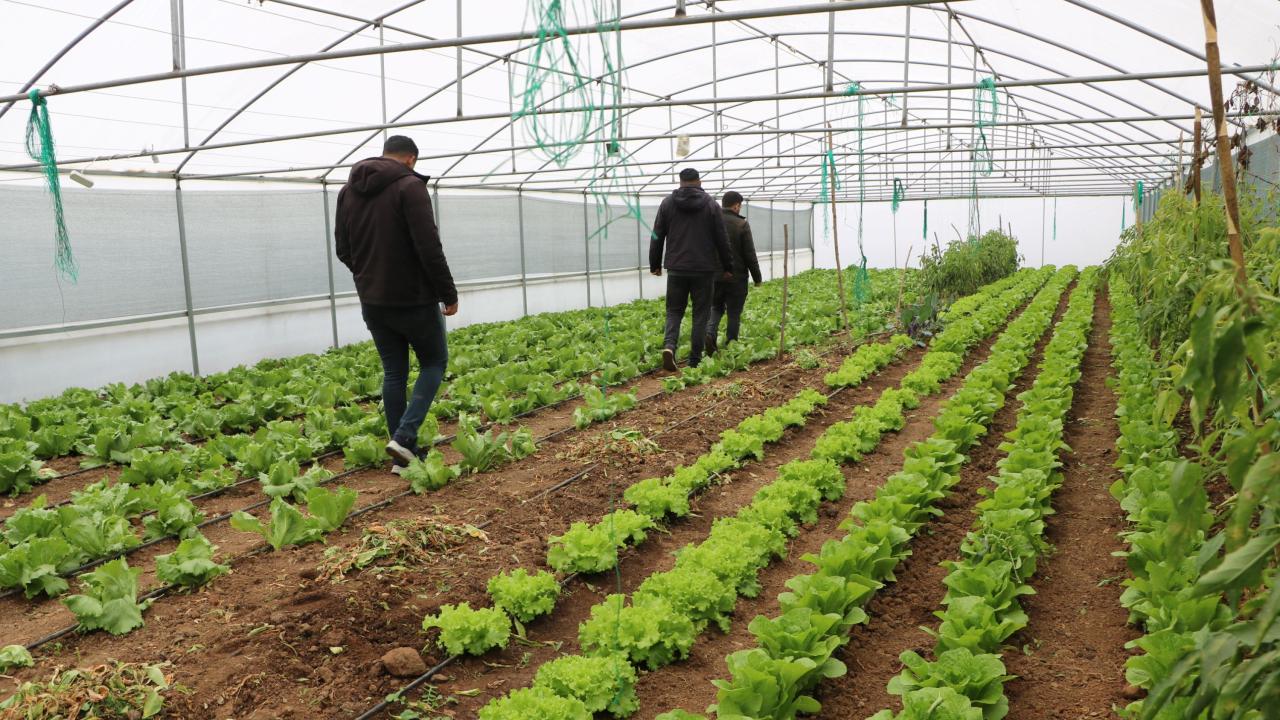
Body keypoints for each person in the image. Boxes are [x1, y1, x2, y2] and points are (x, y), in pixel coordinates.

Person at [335, 135, 458, 472]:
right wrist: (448, 293)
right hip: (413, 298)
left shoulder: (347, 192)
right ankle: (404, 438)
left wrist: (369, 276)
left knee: (394, 373)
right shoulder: (410, 186)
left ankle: (402, 456)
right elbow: (428, 246)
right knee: (434, 362)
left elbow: (343, 249)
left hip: (373, 301)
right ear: (410, 159)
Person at [650, 168, 734, 371]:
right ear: (699, 182)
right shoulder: (711, 205)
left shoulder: (667, 203)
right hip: (703, 269)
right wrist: (728, 266)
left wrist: (655, 264)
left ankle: (669, 346)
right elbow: (722, 238)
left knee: (674, 311)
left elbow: (657, 235)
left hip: (676, 268)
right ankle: (694, 360)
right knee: (700, 314)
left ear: (680, 182)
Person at [705, 190, 763, 354]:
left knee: (716, 307)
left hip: (714, 276)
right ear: (736, 206)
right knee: (734, 312)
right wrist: (757, 278)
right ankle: (731, 346)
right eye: (740, 206)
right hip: (736, 277)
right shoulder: (741, 224)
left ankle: (710, 334)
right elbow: (749, 254)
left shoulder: (711, 223)